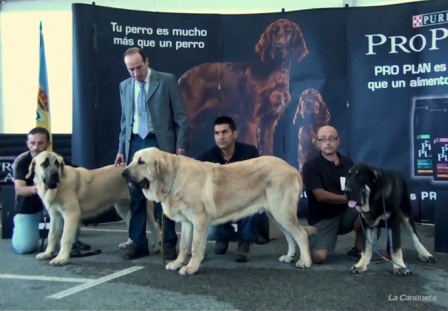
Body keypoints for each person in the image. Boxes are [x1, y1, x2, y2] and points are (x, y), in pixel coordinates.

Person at [114, 47, 188, 260]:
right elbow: (124, 122)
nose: (135, 73)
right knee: (136, 196)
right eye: (130, 69)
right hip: (136, 143)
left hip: (160, 143)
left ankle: (169, 242)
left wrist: (181, 146)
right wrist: (121, 149)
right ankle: (138, 242)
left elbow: (180, 117)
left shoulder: (166, 81)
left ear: (146, 61)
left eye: (138, 67)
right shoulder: (125, 86)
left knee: (166, 194)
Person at [12, 127, 90, 254]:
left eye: (40, 143)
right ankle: (22, 226)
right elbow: (20, 190)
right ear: (27, 144)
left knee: (70, 209)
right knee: (24, 247)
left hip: (55, 205)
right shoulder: (21, 161)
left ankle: (71, 240)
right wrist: (41, 189)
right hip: (30, 207)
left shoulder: (57, 160)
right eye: (32, 143)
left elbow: (77, 172)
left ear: (48, 144)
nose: (35, 147)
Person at [196, 116, 259, 262]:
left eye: (224, 132)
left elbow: (257, 181)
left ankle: (244, 241)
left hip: (244, 201)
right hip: (219, 205)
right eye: (217, 133)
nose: (220, 137)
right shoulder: (206, 157)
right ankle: (223, 236)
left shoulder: (250, 152)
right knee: (212, 232)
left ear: (235, 134)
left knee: (257, 200)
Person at [302, 125, 363, 264]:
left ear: (338, 141)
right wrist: (350, 199)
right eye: (323, 139)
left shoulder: (348, 163)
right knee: (319, 257)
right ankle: (312, 238)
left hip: (346, 214)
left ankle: (359, 249)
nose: (328, 142)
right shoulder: (311, 166)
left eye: (331, 138)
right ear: (318, 143)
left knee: (367, 212)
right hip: (323, 218)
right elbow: (321, 196)